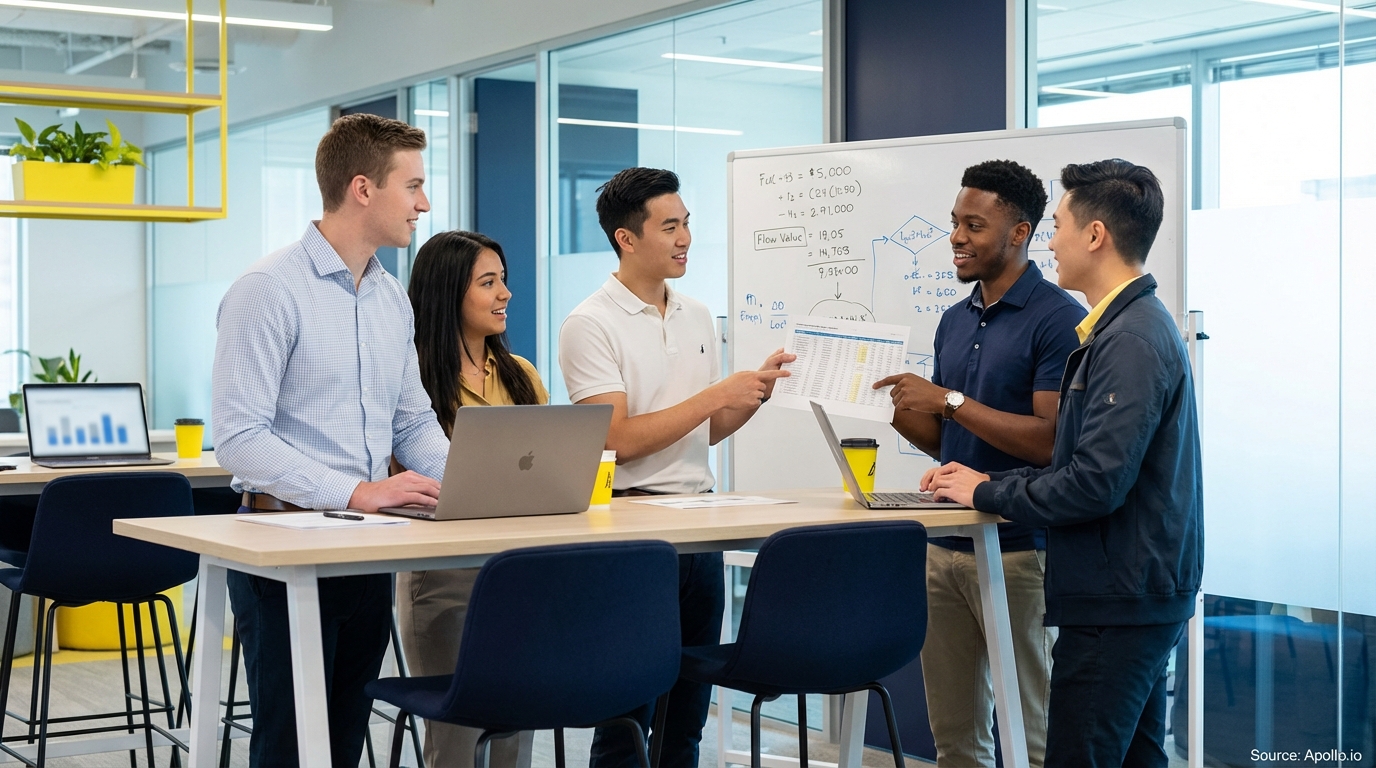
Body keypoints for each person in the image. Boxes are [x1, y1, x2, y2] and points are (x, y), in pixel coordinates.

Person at [926, 159, 1202, 768]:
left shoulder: (1128, 339)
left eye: (1057, 226)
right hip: (1124, 591)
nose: (1051, 241)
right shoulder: (1117, 330)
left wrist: (989, 492)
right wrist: (985, 482)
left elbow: (1093, 483)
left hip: (1118, 595)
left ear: (1095, 235)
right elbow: (1084, 465)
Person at [212, 113, 448, 767]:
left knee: (344, 740)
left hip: (365, 550)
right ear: (364, 189)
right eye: (415, 186)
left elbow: (412, 424)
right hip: (284, 548)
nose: (424, 203)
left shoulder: (390, 298)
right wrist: (358, 491)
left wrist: (470, 478)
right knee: (291, 749)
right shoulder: (268, 290)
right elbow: (238, 437)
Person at [558, 166, 793, 768]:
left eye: (687, 223)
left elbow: (704, 432)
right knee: (627, 712)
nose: (686, 236)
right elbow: (613, 441)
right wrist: (717, 394)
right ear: (626, 239)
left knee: (687, 714)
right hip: (632, 529)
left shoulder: (696, 314)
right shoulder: (589, 323)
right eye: (670, 226)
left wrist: (751, 395)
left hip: (700, 521)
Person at [872, 159, 1085, 767]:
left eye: (974, 225)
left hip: (1020, 550)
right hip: (946, 545)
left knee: (1034, 730)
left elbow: (1048, 442)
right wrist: (889, 406)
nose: (958, 238)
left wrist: (949, 401)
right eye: (954, 224)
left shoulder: (1057, 318)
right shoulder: (953, 318)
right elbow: (951, 442)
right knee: (956, 737)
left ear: (1019, 233)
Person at [397, 229, 547, 767]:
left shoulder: (522, 376)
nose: (505, 293)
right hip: (444, 577)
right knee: (457, 740)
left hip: (519, 572)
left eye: (503, 280)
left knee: (514, 728)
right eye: (488, 283)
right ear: (447, 294)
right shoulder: (410, 378)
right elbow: (401, 480)